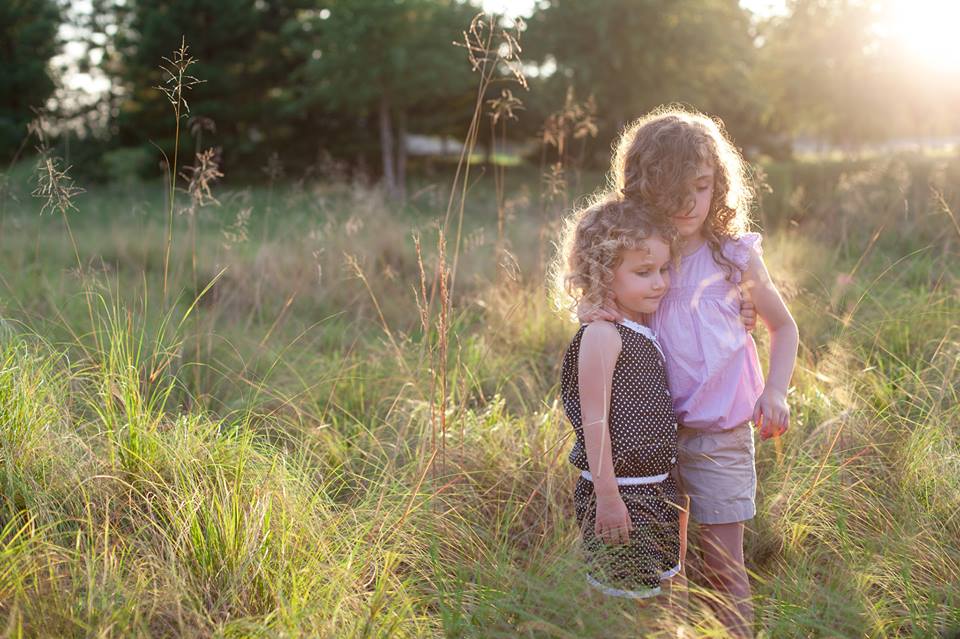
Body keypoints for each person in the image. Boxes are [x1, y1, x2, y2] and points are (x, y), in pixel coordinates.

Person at [581, 105, 799, 638]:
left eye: (701, 187)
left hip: (721, 435)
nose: (688, 203)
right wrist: (590, 310)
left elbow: (784, 327)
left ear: (718, 186)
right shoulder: (644, 256)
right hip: (650, 440)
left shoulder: (734, 256)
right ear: (642, 188)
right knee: (667, 570)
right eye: (673, 189)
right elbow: (603, 315)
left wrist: (775, 392)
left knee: (725, 565)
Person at [555, 195, 688, 619]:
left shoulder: (637, 326)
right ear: (602, 273)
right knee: (624, 605)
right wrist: (608, 497)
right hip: (621, 492)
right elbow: (594, 424)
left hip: (658, 486)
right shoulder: (602, 335)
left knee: (664, 591)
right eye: (643, 272)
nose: (659, 283)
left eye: (664, 270)